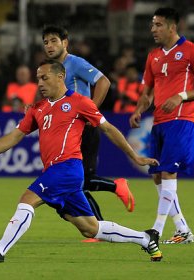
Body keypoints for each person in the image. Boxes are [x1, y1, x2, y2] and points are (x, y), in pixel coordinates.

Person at [0, 60, 163, 262]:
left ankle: (0, 250)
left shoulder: (80, 102)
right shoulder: (37, 109)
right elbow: (14, 136)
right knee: (90, 228)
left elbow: (108, 129)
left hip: (67, 168)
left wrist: (135, 156)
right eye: (38, 78)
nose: (39, 83)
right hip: (59, 172)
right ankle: (145, 239)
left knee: (27, 199)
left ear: (60, 77)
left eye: (44, 77)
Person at [129, 7, 194, 244]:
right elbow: (146, 91)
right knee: (157, 176)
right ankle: (182, 229)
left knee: (168, 172)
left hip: (182, 120)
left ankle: (155, 230)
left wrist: (181, 96)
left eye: (158, 25)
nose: (153, 29)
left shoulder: (192, 51)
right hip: (159, 122)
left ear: (172, 27)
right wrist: (138, 109)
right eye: (152, 25)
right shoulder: (153, 56)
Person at [42, 25, 135, 230]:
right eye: (46, 42)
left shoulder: (74, 63)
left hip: (83, 128)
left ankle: (113, 193)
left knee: (80, 182)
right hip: (67, 131)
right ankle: (100, 227)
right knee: (77, 183)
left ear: (65, 43)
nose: (49, 45)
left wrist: (90, 111)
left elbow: (103, 81)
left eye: (54, 41)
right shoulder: (50, 69)